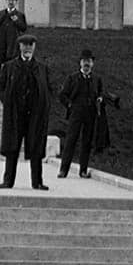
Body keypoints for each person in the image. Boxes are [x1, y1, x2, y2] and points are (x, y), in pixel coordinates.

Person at [0, 33, 52, 190]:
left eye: (30, 45)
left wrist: (44, 106)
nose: (27, 48)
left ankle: (37, 182)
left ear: (34, 47)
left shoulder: (42, 68)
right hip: (15, 113)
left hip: (35, 114)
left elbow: (48, 89)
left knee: (36, 147)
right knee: (12, 147)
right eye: (24, 45)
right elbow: (0, 88)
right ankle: (8, 180)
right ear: (19, 46)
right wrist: (7, 101)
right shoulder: (9, 67)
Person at [57, 48, 119, 178]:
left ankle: (83, 170)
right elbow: (62, 95)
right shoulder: (72, 78)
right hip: (76, 113)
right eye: (84, 61)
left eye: (89, 61)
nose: (87, 64)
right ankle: (63, 170)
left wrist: (100, 98)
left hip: (90, 114)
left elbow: (101, 92)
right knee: (71, 140)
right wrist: (70, 105)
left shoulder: (97, 79)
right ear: (80, 63)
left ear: (92, 64)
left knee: (87, 141)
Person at [0, 0, 28, 86]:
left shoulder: (20, 15)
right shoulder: (0, 13)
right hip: (0, 41)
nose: (11, 2)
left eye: (13, 1)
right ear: (6, 2)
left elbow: (23, 28)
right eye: (9, 0)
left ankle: (9, 81)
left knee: (11, 61)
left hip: (12, 42)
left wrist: (16, 21)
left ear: (16, 3)